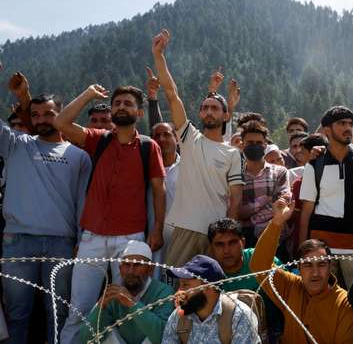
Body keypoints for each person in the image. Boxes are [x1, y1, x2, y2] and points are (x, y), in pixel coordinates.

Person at [56, 84, 166, 344]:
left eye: (128, 104)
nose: (121, 107)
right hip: (92, 238)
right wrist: (88, 94)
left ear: (139, 112)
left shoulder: (148, 147)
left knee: (127, 306)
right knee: (79, 310)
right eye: (117, 103)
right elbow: (61, 122)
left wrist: (157, 229)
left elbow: (159, 191)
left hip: (130, 240)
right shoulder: (99, 139)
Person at [1, 74, 92, 344]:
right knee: (17, 314)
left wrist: (80, 241)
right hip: (18, 242)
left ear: (61, 114)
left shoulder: (79, 156)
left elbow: (82, 203)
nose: (41, 119)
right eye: (36, 115)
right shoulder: (16, 144)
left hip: (62, 245)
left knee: (59, 314)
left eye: (48, 114)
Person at [151, 29, 244, 267]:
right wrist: (159, 55)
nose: (209, 111)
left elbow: (235, 199)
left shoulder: (233, 154)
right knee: (177, 294)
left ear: (226, 116)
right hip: (184, 230)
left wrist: (227, 236)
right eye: (205, 107)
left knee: (210, 294)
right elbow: (172, 94)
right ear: (200, 113)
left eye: (215, 108)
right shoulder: (189, 137)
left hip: (216, 236)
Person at [251, 198, 353, 344]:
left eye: (321, 264)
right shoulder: (291, 286)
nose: (315, 273)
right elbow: (259, 266)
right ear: (299, 269)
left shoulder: (344, 303)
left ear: (330, 267)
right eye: (308, 265)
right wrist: (277, 222)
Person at [298, 105, 353, 288]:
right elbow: (306, 212)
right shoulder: (314, 164)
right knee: (324, 304)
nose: (348, 128)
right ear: (327, 130)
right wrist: (303, 253)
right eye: (341, 123)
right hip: (321, 252)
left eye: (350, 123)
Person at [78, 240, 175, 344]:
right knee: (107, 333)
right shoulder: (114, 294)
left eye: (137, 265)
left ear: (150, 269)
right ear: (120, 269)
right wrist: (100, 307)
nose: (131, 271)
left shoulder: (164, 292)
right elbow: (86, 340)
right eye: (127, 265)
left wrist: (132, 304)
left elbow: (163, 338)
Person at [207, 218, 284, 343]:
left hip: (274, 329)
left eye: (232, 243)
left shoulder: (261, 260)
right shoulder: (207, 276)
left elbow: (290, 291)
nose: (226, 250)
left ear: (242, 242)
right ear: (211, 248)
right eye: (220, 244)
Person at [162, 255, 261, 344]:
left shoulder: (239, 316)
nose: (180, 291)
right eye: (180, 285)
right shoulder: (179, 317)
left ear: (207, 286)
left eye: (185, 285)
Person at [238, 121, 290, 246]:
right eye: (250, 143)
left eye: (259, 143)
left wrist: (250, 213)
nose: (254, 146)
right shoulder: (236, 175)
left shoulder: (279, 172)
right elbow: (236, 210)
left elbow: (283, 203)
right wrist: (266, 200)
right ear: (242, 145)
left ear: (265, 145)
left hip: (274, 233)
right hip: (246, 237)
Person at [151, 122, 180, 271]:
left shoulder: (188, 168)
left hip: (179, 236)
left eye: (167, 134)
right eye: (157, 136)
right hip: (152, 234)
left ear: (177, 138)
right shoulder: (145, 168)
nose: (161, 139)